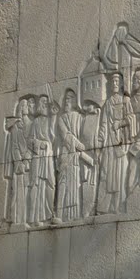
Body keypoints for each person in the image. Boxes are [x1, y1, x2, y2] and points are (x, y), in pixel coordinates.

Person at [96, 72, 133, 214]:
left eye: (117, 81)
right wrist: (100, 142)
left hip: (122, 142)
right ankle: (104, 207)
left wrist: (120, 123)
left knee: (120, 175)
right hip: (109, 143)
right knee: (107, 174)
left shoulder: (125, 101)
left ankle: (119, 205)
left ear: (122, 84)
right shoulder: (107, 103)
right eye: (113, 82)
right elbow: (103, 124)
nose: (115, 84)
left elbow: (131, 119)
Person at [53, 89, 90, 223]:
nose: (67, 102)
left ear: (75, 101)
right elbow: (65, 136)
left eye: (70, 99)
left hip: (75, 157)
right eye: (66, 99)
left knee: (74, 184)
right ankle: (59, 213)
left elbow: (87, 132)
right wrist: (79, 144)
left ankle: (73, 214)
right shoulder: (61, 119)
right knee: (62, 183)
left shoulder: (79, 117)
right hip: (65, 154)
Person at [1, 96, 31, 226]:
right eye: (26, 106)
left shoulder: (29, 124)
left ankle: (23, 219)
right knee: (16, 192)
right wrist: (19, 162)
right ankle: (15, 219)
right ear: (21, 109)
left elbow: (31, 144)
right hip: (18, 163)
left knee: (25, 193)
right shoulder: (15, 127)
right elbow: (14, 147)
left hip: (28, 163)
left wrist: (27, 159)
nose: (28, 108)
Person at [26, 94, 56, 226]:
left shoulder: (50, 120)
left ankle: (49, 215)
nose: (44, 105)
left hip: (48, 156)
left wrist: (54, 116)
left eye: (46, 103)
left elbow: (54, 136)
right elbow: (30, 141)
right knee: (36, 186)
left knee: (50, 184)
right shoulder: (36, 122)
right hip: (38, 157)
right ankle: (34, 218)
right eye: (42, 103)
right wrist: (39, 144)